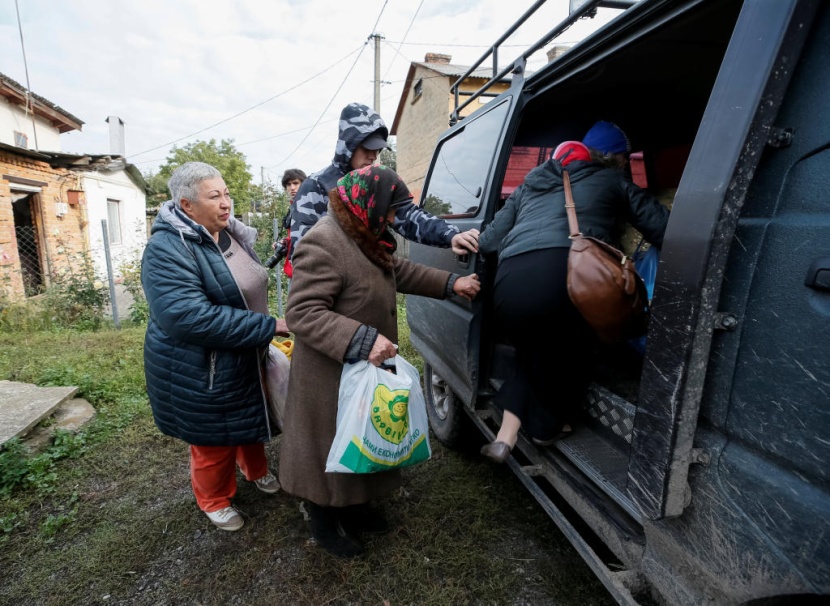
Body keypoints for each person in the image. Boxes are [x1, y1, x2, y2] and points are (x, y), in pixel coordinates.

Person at [280, 165, 481, 557]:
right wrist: (362, 340)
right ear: (368, 203)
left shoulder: (365, 234)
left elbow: (396, 271)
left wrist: (449, 283)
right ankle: (322, 519)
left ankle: (355, 507)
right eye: (390, 210)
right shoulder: (324, 242)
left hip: (361, 365)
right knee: (329, 444)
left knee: (361, 435)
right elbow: (302, 313)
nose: (392, 218)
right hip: (330, 371)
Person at [477, 122, 670, 464]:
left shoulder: (528, 187)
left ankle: (505, 436)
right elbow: (662, 227)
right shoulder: (612, 180)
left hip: (507, 286)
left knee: (533, 352)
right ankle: (545, 427)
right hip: (565, 279)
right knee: (579, 347)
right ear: (612, 159)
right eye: (624, 159)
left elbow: (489, 241)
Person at [141, 161, 290, 531]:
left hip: (244, 347)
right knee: (213, 438)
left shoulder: (229, 233)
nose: (226, 203)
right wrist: (267, 325)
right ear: (186, 205)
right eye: (214, 196)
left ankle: (255, 470)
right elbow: (186, 316)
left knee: (251, 413)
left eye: (227, 194)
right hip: (201, 363)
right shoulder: (167, 248)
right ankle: (213, 499)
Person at [289, 102, 480, 262]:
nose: (374, 155)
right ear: (349, 144)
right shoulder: (316, 186)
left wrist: (451, 235)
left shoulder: (376, 185)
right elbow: (303, 253)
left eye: (378, 149)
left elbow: (409, 216)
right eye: (368, 147)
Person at [278, 168, 307, 278]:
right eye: (288, 184)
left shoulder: (309, 208)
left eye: (296, 183)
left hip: (304, 269)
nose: (292, 188)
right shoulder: (293, 207)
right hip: (294, 269)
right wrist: (285, 242)